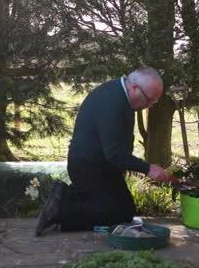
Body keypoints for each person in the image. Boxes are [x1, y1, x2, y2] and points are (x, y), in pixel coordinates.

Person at [34, 67, 173, 236]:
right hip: (88, 168)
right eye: (149, 100)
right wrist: (148, 169)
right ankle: (63, 206)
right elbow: (114, 153)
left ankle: (73, 197)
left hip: (104, 167)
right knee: (115, 215)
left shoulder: (121, 95)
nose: (148, 106)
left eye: (153, 103)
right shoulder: (112, 102)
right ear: (135, 88)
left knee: (126, 211)